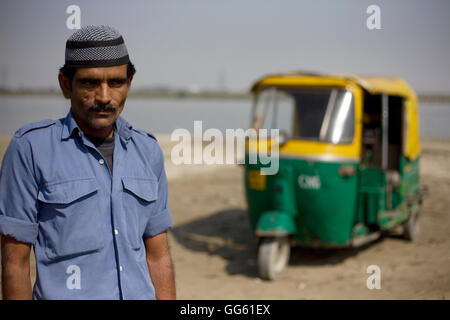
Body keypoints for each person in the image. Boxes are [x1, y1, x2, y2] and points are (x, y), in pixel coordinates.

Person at [0, 25, 176, 300]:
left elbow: (158, 256)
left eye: (116, 82)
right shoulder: (30, 149)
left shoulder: (148, 150)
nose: (104, 97)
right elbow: (15, 265)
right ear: (65, 84)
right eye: (90, 83)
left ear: (129, 83)